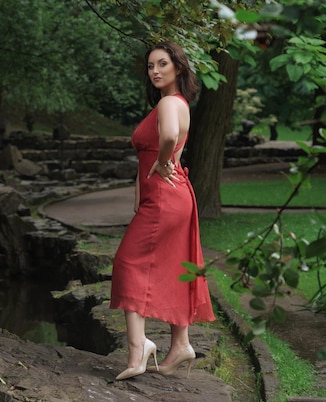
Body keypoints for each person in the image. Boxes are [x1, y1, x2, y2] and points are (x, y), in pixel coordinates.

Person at [109, 41, 216, 381]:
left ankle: (138, 347)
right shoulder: (177, 103)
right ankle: (181, 344)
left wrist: (161, 159)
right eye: (150, 66)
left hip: (166, 200)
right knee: (173, 266)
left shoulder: (170, 102)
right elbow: (162, 147)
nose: (155, 71)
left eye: (162, 64)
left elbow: (168, 137)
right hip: (170, 196)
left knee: (127, 262)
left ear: (179, 69)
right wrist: (142, 188)